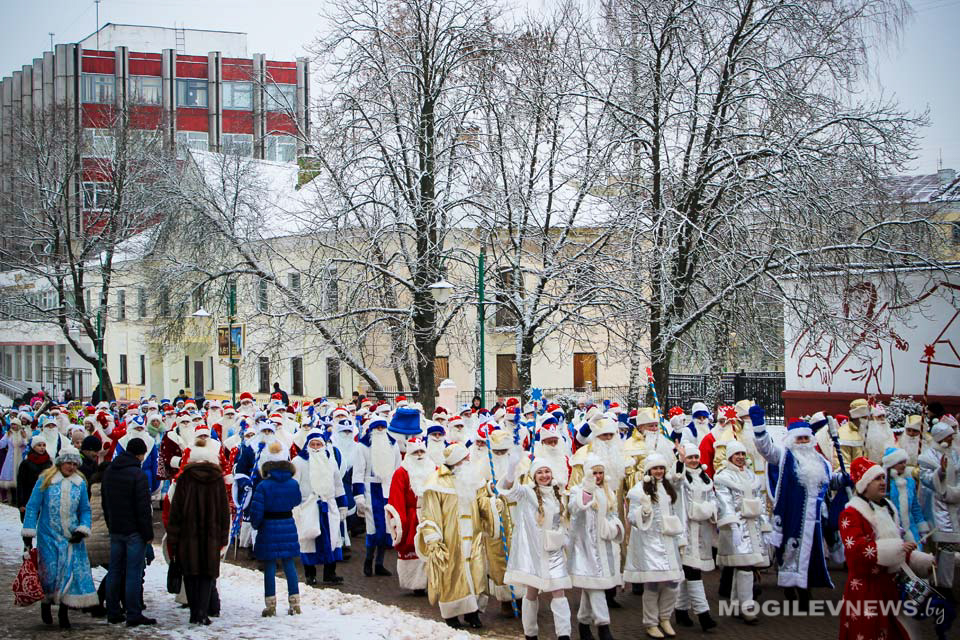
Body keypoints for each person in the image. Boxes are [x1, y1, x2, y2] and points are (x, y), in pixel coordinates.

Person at [838, 457, 935, 640]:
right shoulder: (850, 514)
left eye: (883, 478)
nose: (883, 482)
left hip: (890, 588)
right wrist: (898, 548)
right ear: (864, 484)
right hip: (865, 590)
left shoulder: (888, 509)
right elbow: (857, 552)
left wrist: (921, 561)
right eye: (877, 479)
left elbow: (898, 550)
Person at [751, 410, 835, 610]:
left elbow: (830, 482)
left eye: (806, 438)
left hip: (815, 519)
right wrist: (759, 427)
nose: (803, 442)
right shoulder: (784, 456)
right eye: (799, 438)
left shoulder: (821, 461)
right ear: (792, 440)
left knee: (812, 554)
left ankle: (805, 590)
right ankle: (790, 585)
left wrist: (842, 480)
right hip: (791, 515)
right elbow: (767, 450)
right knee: (789, 552)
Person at [414, 443, 491, 629]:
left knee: (476, 573)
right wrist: (433, 537)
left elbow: (482, 502)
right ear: (456, 462)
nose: (469, 460)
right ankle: (451, 615)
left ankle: (473, 613)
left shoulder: (473, 478)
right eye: (465, 459)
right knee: (452, 575)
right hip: (450, 538)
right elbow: (430, 513)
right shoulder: (436, 482)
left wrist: (493, 505)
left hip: (473, 536)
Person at [21, 444, 98, 629]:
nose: (71, 467)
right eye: (68, 463)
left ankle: (64, 612)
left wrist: (82, 529)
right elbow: (32, 506)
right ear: (60, 463)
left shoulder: (79, 483)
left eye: (74, 464)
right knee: (49, 573)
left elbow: (85, 510)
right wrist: (28, 533)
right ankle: (46, 603)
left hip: (71, 537)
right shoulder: (45, 480)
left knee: (69, 573)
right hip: (48, 535)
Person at [499, 455, 572, 640]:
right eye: (540, 472)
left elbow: (562, 521)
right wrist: (511, 468)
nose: (544, 475)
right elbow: (509, 488)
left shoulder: (558, 493)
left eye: (547, 471)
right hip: (534, 553)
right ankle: (530, 634)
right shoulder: (526, 493)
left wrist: (564, 537)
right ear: (534, 476)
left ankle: (564, 635)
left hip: (554, 552)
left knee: (559, 592)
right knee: (531, 593)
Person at [167, 440, 231, 626]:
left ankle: (194, 612)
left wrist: (173, 537)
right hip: (211, 535)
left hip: (188, 535)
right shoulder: (217, 479)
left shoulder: (184, 478)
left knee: (190, 573)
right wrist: (223, 537)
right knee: (207, 573)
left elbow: (176, 510)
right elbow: (224, 511)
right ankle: (202, 612)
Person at [624, 453, 683, 639]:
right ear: (649, 470)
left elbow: (676, 510)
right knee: (653, 584)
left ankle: (665, 617)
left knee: (673, 583)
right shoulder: (638, 490)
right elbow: (632, 517)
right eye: (655, 468)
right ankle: (651, 623)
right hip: (649, 543)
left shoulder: (668, 487)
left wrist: (680, 538)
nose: (659, 471)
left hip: (668, 541)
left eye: (661, 468)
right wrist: (644, 511)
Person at [101, 437, 156, 626]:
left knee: (115, 571)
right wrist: (148, 534)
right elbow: (143, 508)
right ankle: (133, 613)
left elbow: (105, 502)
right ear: (140, 454)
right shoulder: (138, 474)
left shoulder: (110, 471)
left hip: (116, 528)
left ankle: (113, 611)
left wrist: (110, 524)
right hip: (134, 531)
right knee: (133, 572)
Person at [568, 455, 623, 640]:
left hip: (603, 547)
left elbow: (613, 514)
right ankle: (603, 626)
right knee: (597, 586)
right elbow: (574, 509)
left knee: (592, 585)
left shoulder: (608, 492)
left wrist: (614, 528)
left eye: (600, 473)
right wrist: (587, 491)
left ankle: (583, 625)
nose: (598, 476)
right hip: (585, 547)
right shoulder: (577, 490)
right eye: (594, 473)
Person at [714, 441, 768, 624]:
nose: (740, 457)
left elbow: (760, 500)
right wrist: (733, 525)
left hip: (753, 527)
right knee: (745, 566)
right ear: (730, 456)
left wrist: (765, 525)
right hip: (736, 527)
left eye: (743, 454)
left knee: (745, 565)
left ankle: (737, 605)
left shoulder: (751, 475)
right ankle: (747, 607)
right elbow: (724, 503)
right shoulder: (723, 476)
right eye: (737, 454)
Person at [250, 441, 302, 616]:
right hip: (287, 523)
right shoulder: (293, 483)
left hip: (268, 525)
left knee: (270, 565)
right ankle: (295, 603)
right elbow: (296, 501)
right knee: (289, 564)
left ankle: (270, 604)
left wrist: (256, 524)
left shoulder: (263, 486)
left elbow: (256, 511)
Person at [673, 434, 718, 632]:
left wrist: (711, 510)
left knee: (688, 571)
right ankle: (703, 614)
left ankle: (681, 610)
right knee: (693, 571)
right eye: (690, 457)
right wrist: (680, 461)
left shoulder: (705, 477)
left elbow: (713, 498)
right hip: (686, 529)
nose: (693, 460)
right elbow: (674, 481)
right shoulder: (682, 477)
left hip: (702, 530)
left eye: (695, 457)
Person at [292, 430, 346, 587]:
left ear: (324, 445)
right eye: (313, 444)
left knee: (333, 538)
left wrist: (342, 504)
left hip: (329, 505)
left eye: (318, 444)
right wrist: (295, 506)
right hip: (308, 505)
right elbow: (294, 485)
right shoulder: (298, 462)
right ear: (307, 445)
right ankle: (310, 574)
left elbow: (338, 484)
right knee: (309, 540)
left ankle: (330, 573)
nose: (316, 447)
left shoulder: (331, 461)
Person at [353, 416, 401, 577]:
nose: (380, 430)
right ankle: (368, 560)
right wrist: (359, 495)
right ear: (372, 429)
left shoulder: (393, 445)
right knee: (372, 528)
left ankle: (380, 563)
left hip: (388, 489)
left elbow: (397, 470)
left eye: (382, 427)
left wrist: (397, 491)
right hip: (370, 490)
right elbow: (358, 472)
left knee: (387, 528)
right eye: (377, 427)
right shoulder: (363, 446)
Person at [386, 436, 432, 595]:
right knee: (413, 548)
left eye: (422, 451)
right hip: (412, 517)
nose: (419, 455)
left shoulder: (433, 469)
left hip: (431, 515)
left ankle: (431, 582)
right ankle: (417, 584)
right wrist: (401, 523)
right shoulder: (401, 473)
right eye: (415, 452)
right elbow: (396, 498)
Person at [918, 421, 960, 589]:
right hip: (937, 508)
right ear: (941, 437)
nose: (952, 439)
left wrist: (956, 492)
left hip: (955, 505)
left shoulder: (955, 454)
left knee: (948, 547)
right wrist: (941, 472)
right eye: (949, 436)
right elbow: (926, 479)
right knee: (938, 546)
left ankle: (944, 584)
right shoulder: (927, 456)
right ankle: (937, 583)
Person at [882, 446, 926, 544]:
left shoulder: (910, 482)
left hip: (911, 530)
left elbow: (915, 507)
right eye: (900, 463)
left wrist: (922, 528)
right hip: (891, 532)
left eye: (905, 462)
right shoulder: (884, 484)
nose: (904, 465)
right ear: (891, 464)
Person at [17, 435, 52, 521]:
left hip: (45, 498)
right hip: (29, 496)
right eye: (39, 445)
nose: (42, 448)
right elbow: (21, 483)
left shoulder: (49, 462)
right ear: (33, 447)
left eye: (44, 445)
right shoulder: (26, 463)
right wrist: (21, 503)